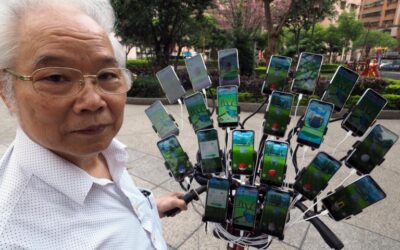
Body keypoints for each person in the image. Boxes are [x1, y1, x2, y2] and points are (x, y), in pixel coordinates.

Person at [0, 0, 187, 249]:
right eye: (56, 78)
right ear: (6, 90)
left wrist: (149, 205)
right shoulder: (14, 236)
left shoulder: (102, 152)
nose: (92, 101)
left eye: (107, 75)